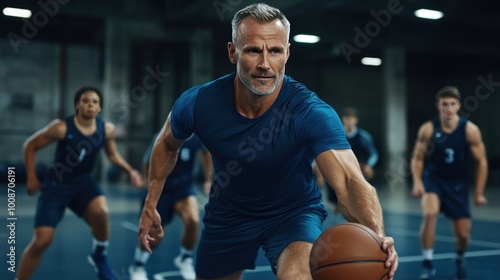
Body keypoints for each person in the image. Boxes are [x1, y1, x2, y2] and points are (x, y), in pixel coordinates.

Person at [138, 3, 398, 280]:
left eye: (274, 51)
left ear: (286, 54)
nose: (265, 64)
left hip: (293, 214)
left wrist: (377, 236)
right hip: (228, 215)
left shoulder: (310, 112)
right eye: (253, 50)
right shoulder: (198, 103)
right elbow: (166, 144)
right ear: (232, 52)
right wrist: (151, 202)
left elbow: (348, 182)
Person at [17, 86, 144, 280]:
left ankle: (99, 256)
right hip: (56, 185)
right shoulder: (61, 127)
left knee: (102, 212)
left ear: (100, 107)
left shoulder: (106, 129)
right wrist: (32, 177)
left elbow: (112, 154)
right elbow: (30, 145)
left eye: (95, 102)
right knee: (42, 241)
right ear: (77, 104)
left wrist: (130, 171)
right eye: (85, 101)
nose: (90, 105)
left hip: (83, 183)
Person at [411, 86, 488, 280]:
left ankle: (460, 256)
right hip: (434, 179)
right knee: (429, 214)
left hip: (457, 184)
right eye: (445, 104)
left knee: (463, 236)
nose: (449, 108)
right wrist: (418, 182)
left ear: (459, 106)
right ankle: (427, 262)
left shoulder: (470, 130)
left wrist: (478, 192)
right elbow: (418, 158)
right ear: (438, 105)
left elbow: (482, 161)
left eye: (453, 104)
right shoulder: (428, 128)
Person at [129, 133, 212, 280]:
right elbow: (147, 162)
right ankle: (137, 266)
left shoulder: (197, 136)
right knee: (155, 238)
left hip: (183, 189)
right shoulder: (162, 136)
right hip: (162, 190)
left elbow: (206, 152)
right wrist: (150, 189)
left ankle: (185, 259)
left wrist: (208, 179)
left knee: (193, 220)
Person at [317, 107, 379, 215]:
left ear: (356, 120)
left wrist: (369, 165)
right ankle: (339, 209)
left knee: (357, 201)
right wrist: (320, 174)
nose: (349, 121)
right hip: (338, 171)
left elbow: (373, 154)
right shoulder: (335, 135)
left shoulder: (363, 137)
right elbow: (324, 153)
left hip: (356, 172)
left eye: (352, 118)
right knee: (338, 202)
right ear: (342, 119)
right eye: (347, 118)